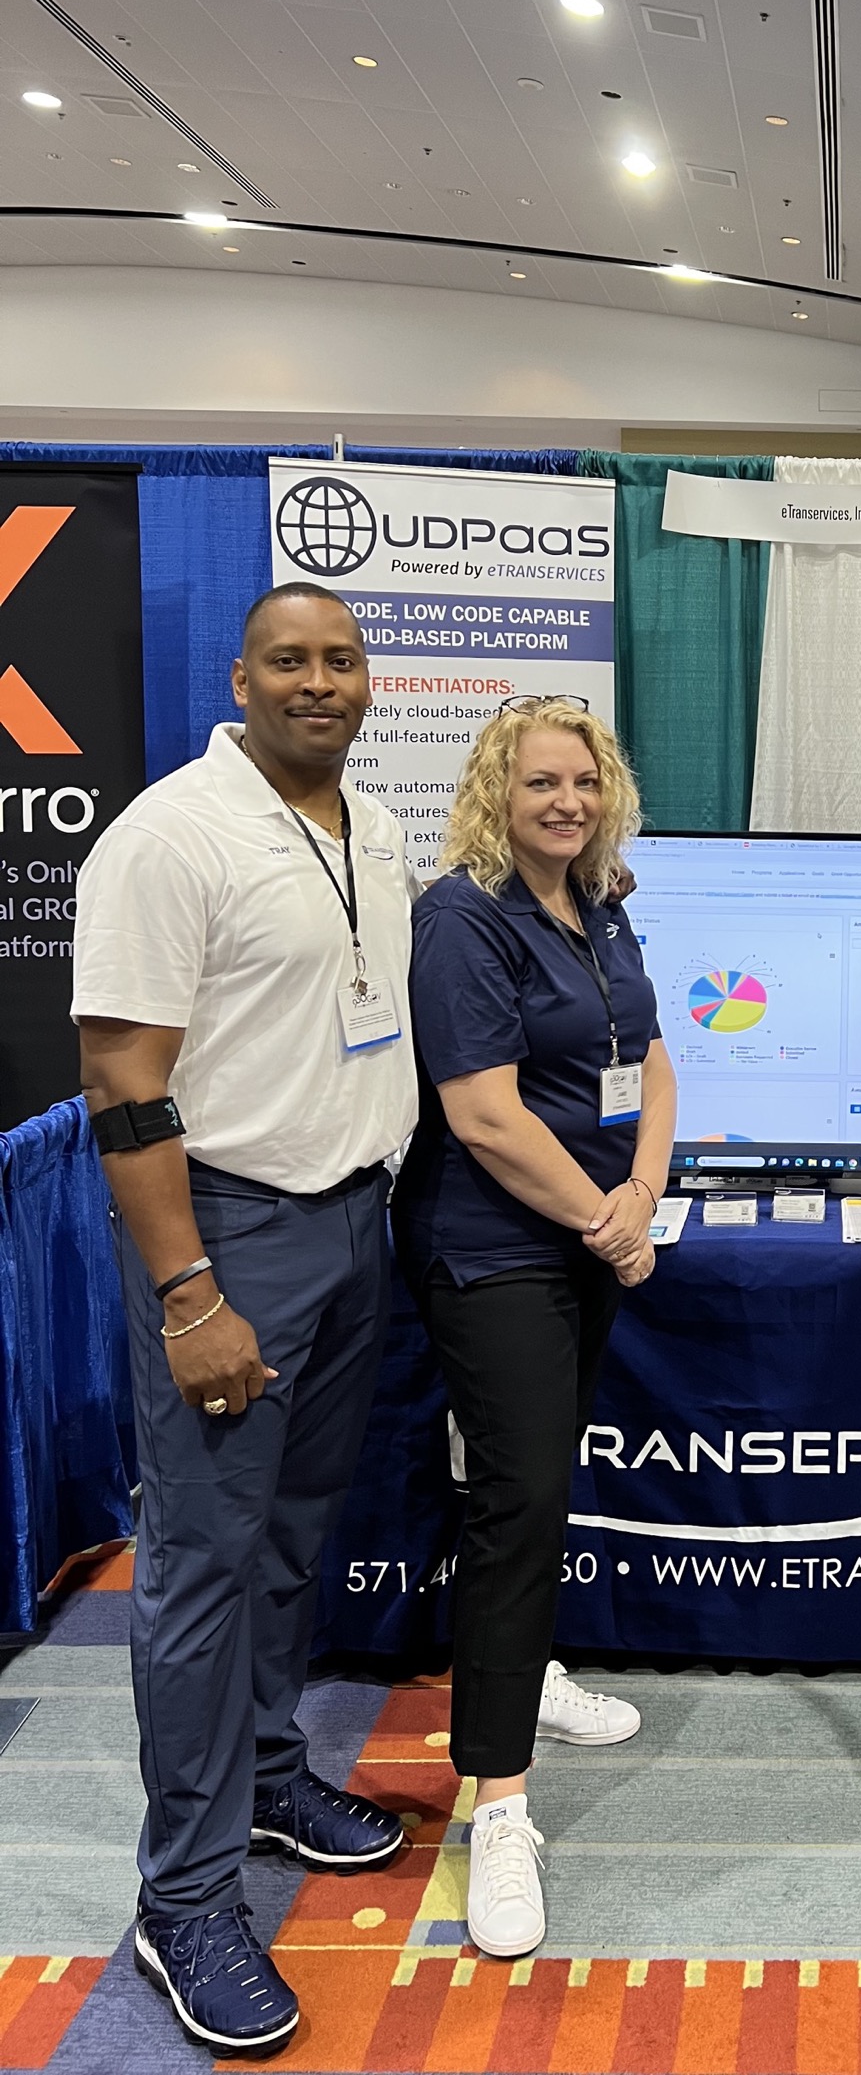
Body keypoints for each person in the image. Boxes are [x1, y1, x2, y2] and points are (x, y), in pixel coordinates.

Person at [72, 585, 416, 2056]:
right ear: (243, 676)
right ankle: (185, 1897)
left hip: (355, 1221)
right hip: (232, 1239)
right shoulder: (170, 835)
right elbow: (123, 1081)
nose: (320, 683)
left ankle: (269, 1773)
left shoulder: (373, 825)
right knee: (203, 1571)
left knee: (292, 1534)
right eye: (293, 660)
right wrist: (189, 1290)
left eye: (341, 660)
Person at [392, 697, 677, 1960]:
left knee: (535, 1485)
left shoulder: (599, 898)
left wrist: (643, 1189)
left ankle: (528, 1674)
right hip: (496, 1245)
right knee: (517, 1505)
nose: (564, 801)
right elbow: (486, 1114)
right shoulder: (462, 913)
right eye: (539, 783)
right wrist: (609, 1223)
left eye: (582, 781)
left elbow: (652, 1056)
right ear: (494, 793)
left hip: (592, 1230)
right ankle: (495, 1804)